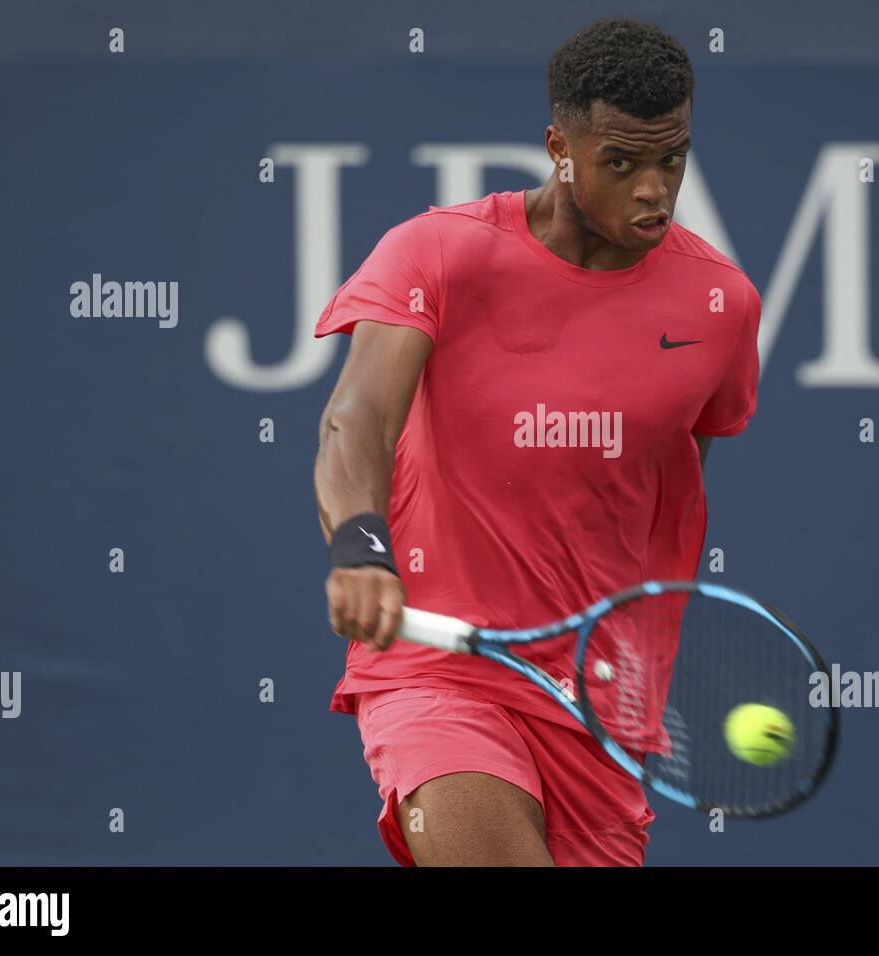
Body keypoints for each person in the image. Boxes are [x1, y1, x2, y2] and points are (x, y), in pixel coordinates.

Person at [313, 16, 761, 866]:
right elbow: (356, 419)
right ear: (560, 146)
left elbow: (668, 483)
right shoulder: (438, 254)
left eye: (673, 159)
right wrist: (361, 547)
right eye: (620, 162)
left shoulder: (722, 307)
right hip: (440, 665)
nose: (653, 192)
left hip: (603, 701)